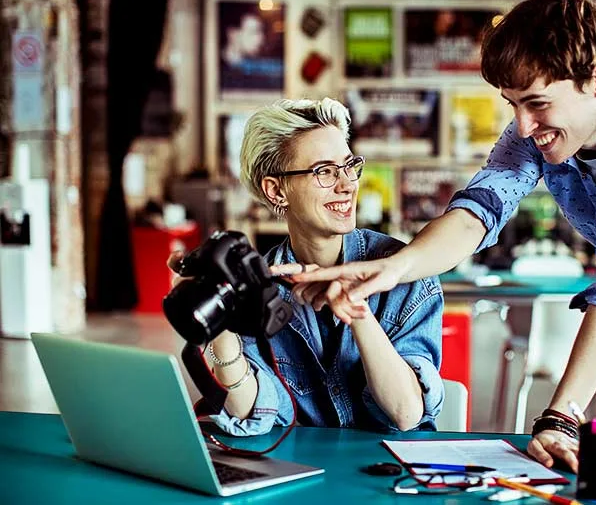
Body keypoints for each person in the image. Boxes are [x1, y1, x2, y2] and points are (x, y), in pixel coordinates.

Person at [279, 0, 596, 471]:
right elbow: (477, 210)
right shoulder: (539, 131)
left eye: (535, 103)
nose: (521, 125)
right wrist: (392, 267)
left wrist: (562, 415)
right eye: (511, 103)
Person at [169, 98, 444, 436]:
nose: (346, 184)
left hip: (396, 477)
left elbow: (406, 413)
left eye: (348, 166)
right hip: (307, 472)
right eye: (325, 172)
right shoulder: (259, 286)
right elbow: (249, 410)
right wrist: (220, 313)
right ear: (276, 190)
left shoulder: (403, 271)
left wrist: (356, 308)